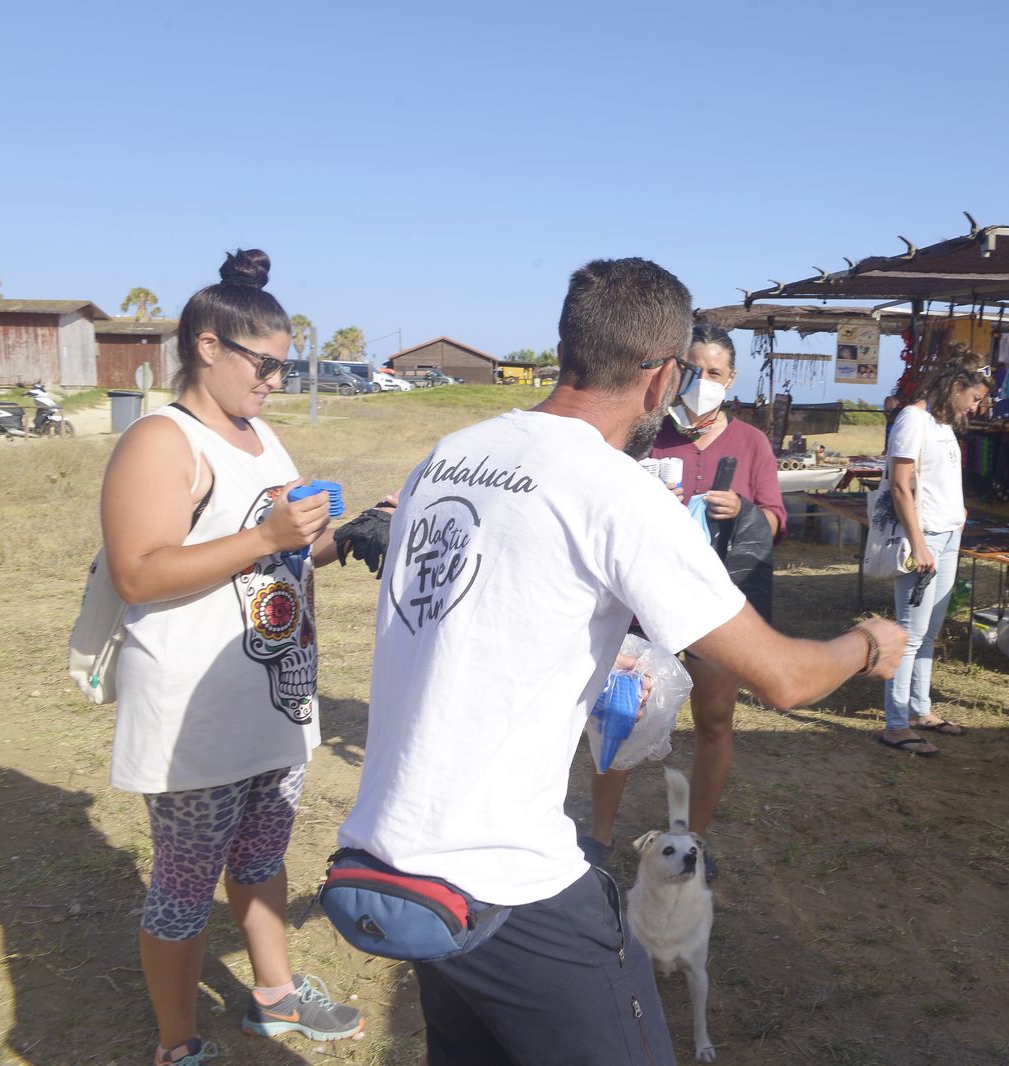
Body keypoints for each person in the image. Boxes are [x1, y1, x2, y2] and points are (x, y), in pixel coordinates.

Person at [336, 257, 905, 1065]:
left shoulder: (449, 456)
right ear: (663, 376)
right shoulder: (615, 490)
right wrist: (869, 643)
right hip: (509, 885)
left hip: (401, 863)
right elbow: (784, 676)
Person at [101, 250, 364, 1066]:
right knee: (183, 889)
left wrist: (342, 538)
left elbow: (279, 558)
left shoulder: (259, 436)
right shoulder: (160, 439)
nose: (276, 381)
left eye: (285, 366)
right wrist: (265, 537)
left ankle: (277, 999)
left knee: (261, 857)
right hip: (196, 714)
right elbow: (138, 572)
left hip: (274, 698)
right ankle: (176, 1044)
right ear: (208, 346)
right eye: (266, 364)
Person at [582, 323, 785, 882]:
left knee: (715, 722)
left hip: (714, 609)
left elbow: (774, 520)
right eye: (693, 371)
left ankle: (692, 841)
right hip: (641, 606)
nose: (703, 383)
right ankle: (599, 836)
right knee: (621, 713)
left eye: (715, 373)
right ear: (676, 371)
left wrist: (741, 510)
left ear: (732, 379)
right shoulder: (645, 435)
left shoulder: (751, 444)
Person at [879, 358, 993, 756]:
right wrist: (919, 542)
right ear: (956, 384)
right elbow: (899, 486)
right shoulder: (913, 419)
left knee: (928, 630)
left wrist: (958, 514)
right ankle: (895, 723)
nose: (974, 408)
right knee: (909, 633)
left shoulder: (943, 424)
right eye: (974, 398)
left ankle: (919, 709)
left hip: (947, 535)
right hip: (924, 538)